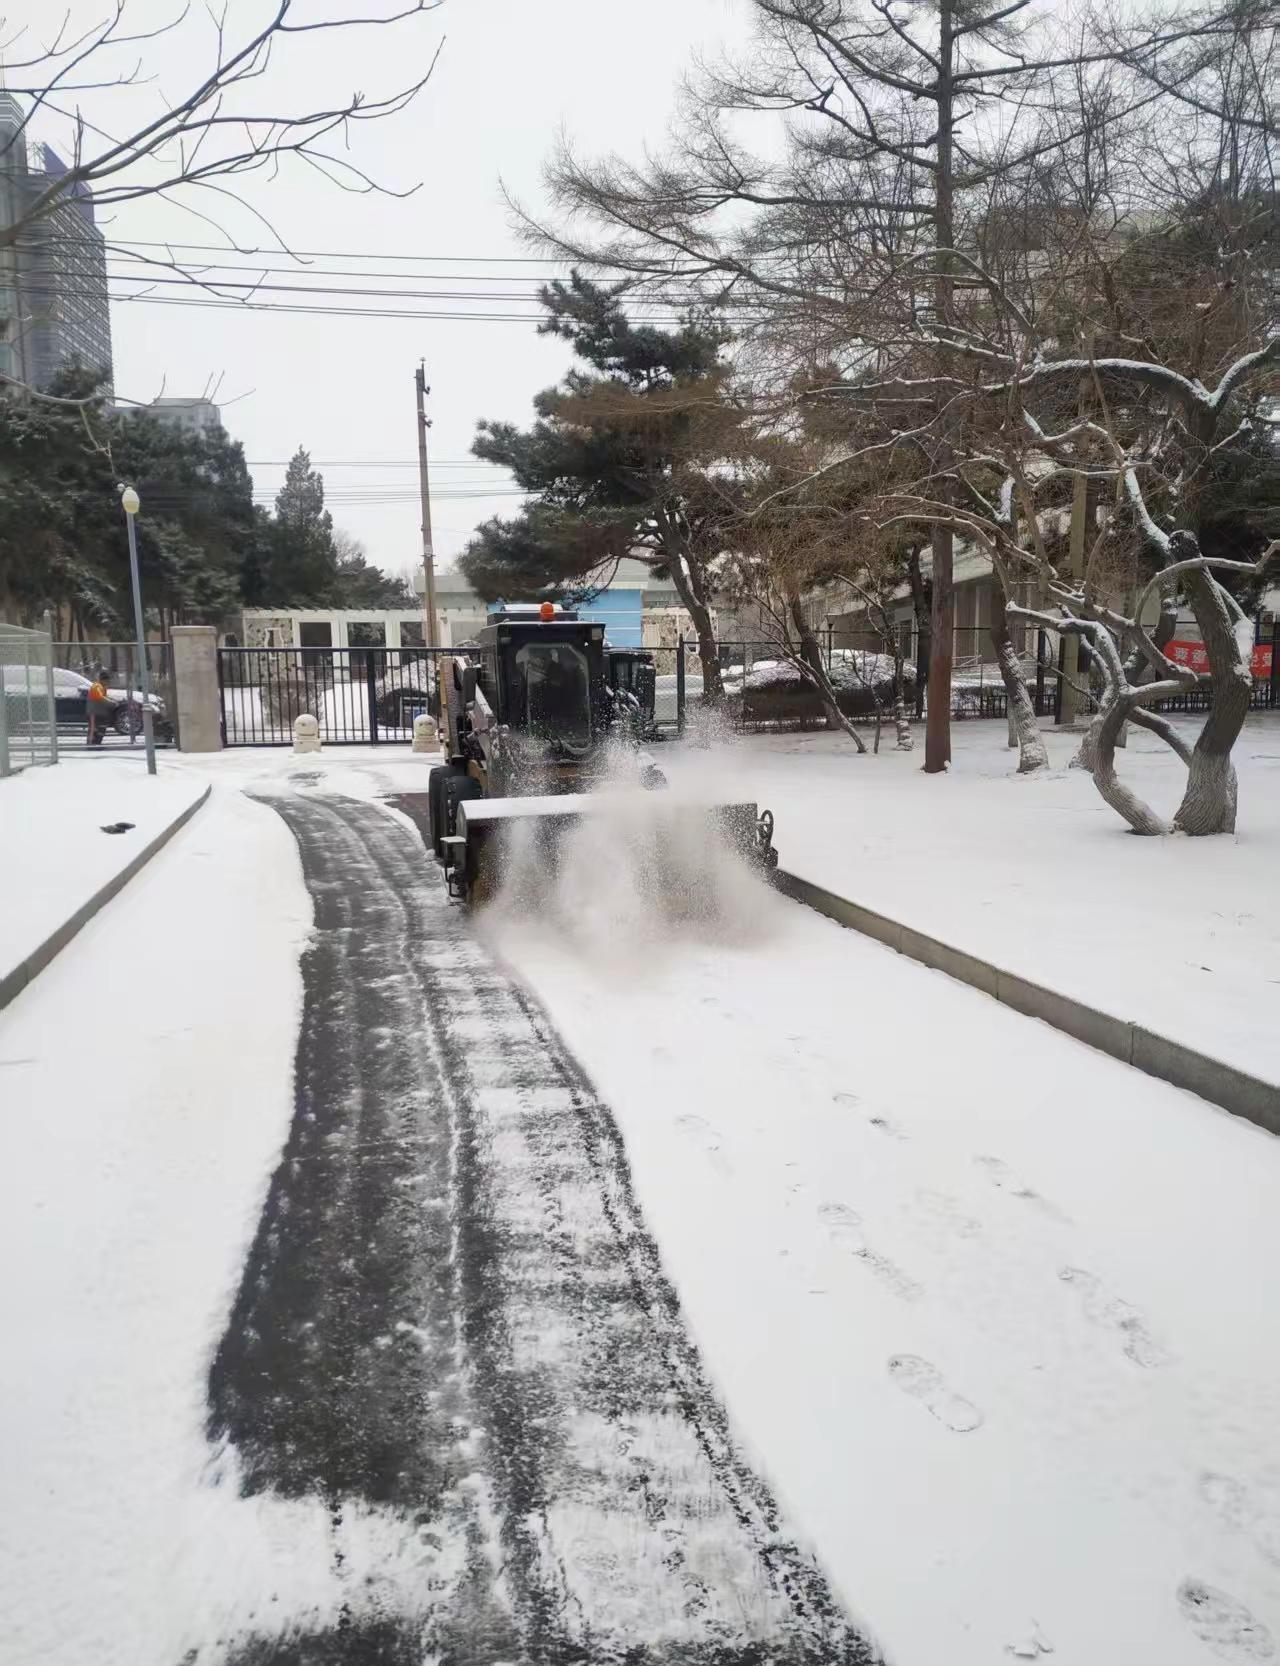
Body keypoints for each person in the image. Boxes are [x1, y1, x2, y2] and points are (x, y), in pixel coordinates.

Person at [86, 669, 110, 746]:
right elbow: (100, 697)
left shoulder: (102, 687)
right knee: (94, 728)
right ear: (102, 680)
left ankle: (96, 743)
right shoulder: (97, 686)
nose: (107, 682)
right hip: (94, 712)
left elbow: (103, 697)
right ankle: (91, 745)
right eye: (106, 680)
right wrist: (112, 702)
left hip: (100, 712)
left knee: (100, 728)